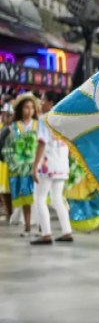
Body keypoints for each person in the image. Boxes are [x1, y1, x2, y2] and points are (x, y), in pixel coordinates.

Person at [31, 91, 74, 245]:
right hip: (61, 164)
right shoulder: (64, 120)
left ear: (50, 102)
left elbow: (42, 143)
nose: (40, 103)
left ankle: (46, 233)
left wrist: (34, 166)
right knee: (57, 199)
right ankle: (66, 231)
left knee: (40, 198)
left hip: (47, 164)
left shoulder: (44, 119)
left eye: (42, 100)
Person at [1, 93, 39, 236]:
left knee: (39, 198)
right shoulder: (14, 127)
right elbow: (8, 147)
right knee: (25, 197)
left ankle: (42, 227)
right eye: (26, 108)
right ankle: (28, 227)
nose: (29, 111)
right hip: (21, 167)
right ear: (20, 110)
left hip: (37, 166)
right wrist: (13, 160)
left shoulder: (38, 125)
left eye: (31, 108)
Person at [0, 102, 14, 221]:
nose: (5, 118)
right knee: (3, 190)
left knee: (8, 189)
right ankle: (7, 210)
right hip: (2, 163)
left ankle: (10, 212)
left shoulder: (13, 129)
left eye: (8, 115)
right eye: (4, 115)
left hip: (10, 163)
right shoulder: (2, 127)